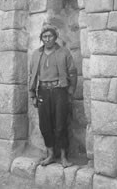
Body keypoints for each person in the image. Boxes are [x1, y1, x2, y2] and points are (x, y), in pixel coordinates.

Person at [28, 23, 77, 167]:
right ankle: (50, 154)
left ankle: (63, 157)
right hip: (43, 91)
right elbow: (32, 75)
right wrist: (32, 94)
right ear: (41, 38)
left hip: (59, 91)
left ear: (55, 37)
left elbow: (72, 72)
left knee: (61, 124)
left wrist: (70, 91)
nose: (47, 39)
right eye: (44, 36)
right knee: (45, 124)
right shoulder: (37, 54)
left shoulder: (64, 52)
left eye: (50, 36)